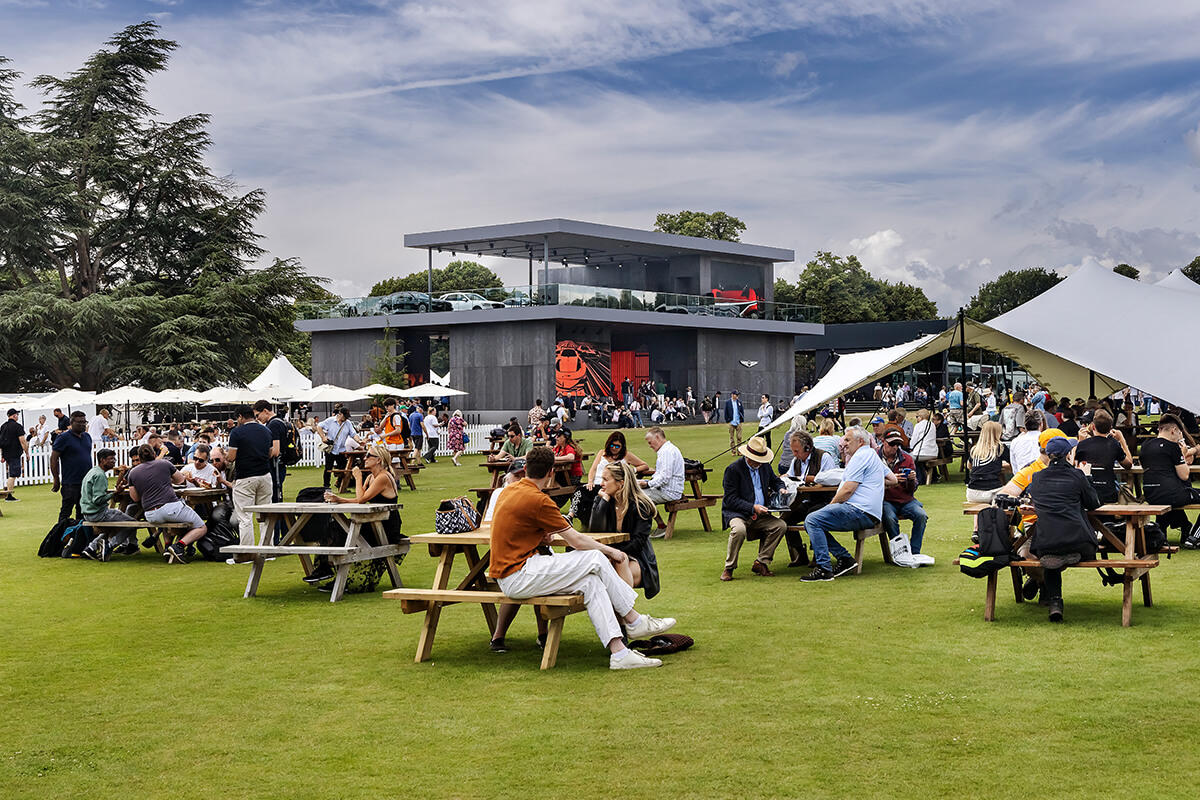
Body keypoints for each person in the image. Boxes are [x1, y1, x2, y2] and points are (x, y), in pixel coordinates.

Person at [488, 446, 676, 670]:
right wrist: (612, 552)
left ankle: (620, 652)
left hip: (512, 574)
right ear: (551, 473)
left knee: (591, 582)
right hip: (519, 574)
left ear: (526, 469)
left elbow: (513, 528)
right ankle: (633, 619)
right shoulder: (540, 500)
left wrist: (537, 535)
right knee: (595, 558)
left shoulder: (509, 490)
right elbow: (576, 541)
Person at [800, 426, 898, 582]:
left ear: (860, 442)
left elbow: (847, 490)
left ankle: (825, 569)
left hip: (859, 510)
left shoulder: (859, 457)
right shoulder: (872, 454)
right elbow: (893, 479)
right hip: (870, 512)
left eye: (847, 440)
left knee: (812, 520)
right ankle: (844, 559)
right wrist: (872, 481)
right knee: (813, 521)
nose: (843, 443)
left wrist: (830, 506)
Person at [1027, 435, 1101, 622]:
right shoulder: (1077, 476)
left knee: (1052, 555)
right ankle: (1067, 556)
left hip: (1045, 542)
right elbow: (1093, 503)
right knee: (1060, 551)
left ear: (1048, 455)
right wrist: (1087, 476)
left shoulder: (1037, 477)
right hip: (1078, 541)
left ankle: (1055, 602)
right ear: (1068, 454)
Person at [315, 442, 405, 586]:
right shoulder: (371, 477)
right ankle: (326, 568)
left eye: (369, 455)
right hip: (373, 520)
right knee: (335, 527)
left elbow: (361, 500)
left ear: (378, 460)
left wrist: (357, 478)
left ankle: (335, 575)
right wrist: (339, 499)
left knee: (344, 531)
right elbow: (360, 498)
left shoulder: (383, 477)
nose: (365, 458)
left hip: (385, 524)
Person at [589, 461, 661, 598]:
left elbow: (637, 544)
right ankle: (627, 618)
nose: (601, 484)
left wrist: (613, 553)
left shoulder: (641, 506)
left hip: (639, 560)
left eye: (605, 479)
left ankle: (627, 616)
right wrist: (603, 502)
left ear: (621, 483)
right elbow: (594, 532)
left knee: (618, 563)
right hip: (610, 557)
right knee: (613, 566)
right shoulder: (603, 500)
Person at [720, 436, 787, 581]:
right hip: (738, 514)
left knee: (780, 525)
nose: (760, 463)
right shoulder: (733, 470)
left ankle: (761, 562)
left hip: (761, 514)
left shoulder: (765, 466)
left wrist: (781, 489)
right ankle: (729, 567)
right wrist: (752, 507)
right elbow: (730, 500)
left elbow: (776, 481)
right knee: (739, 530)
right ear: (748, 456)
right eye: (757, 459)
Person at [126, 443, 207, 564]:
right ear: (154, 454)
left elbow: (135, 498)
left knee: (167, 522)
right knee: (201, 527)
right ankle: (179, 546)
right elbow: (181, 480)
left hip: (151, 514)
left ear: (139, 457)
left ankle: (167, 546)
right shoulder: (164, 464)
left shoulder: (133, 473)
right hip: (170, 506)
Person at [777, 430, 837, 567]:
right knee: (786, 517)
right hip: (805, 500)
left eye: (796, 451)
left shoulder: (824, 457)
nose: (794, 454)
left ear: (807, 448)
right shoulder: (796, 461)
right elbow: (789, 476)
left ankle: (818, 554)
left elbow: (832, 481)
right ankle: (800, 553)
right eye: (793, 451)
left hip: (825, 500)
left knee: (813, 515)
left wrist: (812, 481)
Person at [1140, 413, 1200, 547]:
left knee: (1170, 494)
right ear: (1174, 430)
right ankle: (1194, 537)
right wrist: (1183, 454)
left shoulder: (1145, 446)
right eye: (1179, 433)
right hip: (1171, 494)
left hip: (1151, 494)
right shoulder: (1172, 447)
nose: (1180, 437)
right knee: (1176, 492)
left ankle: (1165, 530)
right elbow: (1184, 475)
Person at [226, 404, 278, 553]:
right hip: (265, 475)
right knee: (265, 515)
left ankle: (247, 552)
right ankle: (268, 550)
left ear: (241, 417)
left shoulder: (237, 432)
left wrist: (226, 455)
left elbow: (231, 457)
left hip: (245, 476)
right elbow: (270, 453)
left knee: (245, 517)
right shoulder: (266, 430)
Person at [878, 429, 930, 566]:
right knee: (889, 517)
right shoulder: (874, 458)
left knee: (921, 515)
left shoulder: (907, 459)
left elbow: (911, 490)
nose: (895, 447)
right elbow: (870, 482)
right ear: (883, 441)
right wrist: (890, 480)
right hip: (885, 499)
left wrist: (912, 480)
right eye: (892, 443)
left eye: (898, 444)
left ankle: (914, 553)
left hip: (906, 499)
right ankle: (900, 553)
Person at [79, 448, 139, 561]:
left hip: (87, 512)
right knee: (132, 524)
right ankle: (110, 546)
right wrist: (115, 493)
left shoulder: (92, 471)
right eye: (111, 459)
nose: (114, 461)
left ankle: (91, 547)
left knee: (118, 517)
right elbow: (98, 500)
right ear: (102, 460)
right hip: (97, 513)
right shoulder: (100, 476)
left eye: (114, 458)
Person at [1073, 410, 1132, 505]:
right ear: (1110, 428)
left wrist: (1080, 442)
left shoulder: (1082, 445)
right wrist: (1121, 440)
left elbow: (1074, 465)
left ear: (1092, 426)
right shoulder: (1113, 444)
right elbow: (1128, 464)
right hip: (1107, 493)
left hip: (1086, 493)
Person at [638, 426, 684, 534]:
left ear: (657, 437)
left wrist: (647, 484)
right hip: (668, 489)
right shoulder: (667, 450)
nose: (650, 446)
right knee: (637, 494)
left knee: (636, 497)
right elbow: (662, 475)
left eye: (650, 442)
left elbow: (664, 478)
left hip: (669, 492)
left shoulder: (666, 452)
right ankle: (660, 525)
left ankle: (643, 529)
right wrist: (648, 482)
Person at [50, 411, 93, 521]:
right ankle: (60, 536)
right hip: (70, 483)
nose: (82, 424)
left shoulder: (87, 437)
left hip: (86, 482)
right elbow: (54, 458)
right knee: (65, 513)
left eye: (84, 422)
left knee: (83, 513)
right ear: (71, 422)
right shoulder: (63, 438)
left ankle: (80, 537)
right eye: (79, 422)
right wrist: (56, 478)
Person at [966, 421, 1009, 506]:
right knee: (1010, 493)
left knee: (977, 509)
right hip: (993, 490)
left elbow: (969, 466)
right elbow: (1013, 465)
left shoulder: (975, 449)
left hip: (972, 492)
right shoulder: (1000, 448)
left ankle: (978, 519)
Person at [254, 400, 289, 503]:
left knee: (274, 498)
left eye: (257, 415)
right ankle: (281, 519)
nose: (257, 418)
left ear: (265, 411)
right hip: (280, 464)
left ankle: (279, 519)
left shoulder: (273, 425)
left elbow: (275, 450)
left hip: (275, 466)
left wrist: (262, 456)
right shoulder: (280, 421)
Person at [319, 407, 360, 489]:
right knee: (328, 468)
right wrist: (323, 437)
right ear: (340, 414)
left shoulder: (348, 423)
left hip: (341, 450)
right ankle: (326, 486)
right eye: (345, 416)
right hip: (331, 448)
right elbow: (319, 426)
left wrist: (359, 441)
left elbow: (353, 434)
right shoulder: (330, 421)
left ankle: (341, 485)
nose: (346, 419)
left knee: (343, 468)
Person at [1, 408, 29, 502]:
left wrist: (2, 454)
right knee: (13, 474)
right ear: (14, 415)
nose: (17, 416)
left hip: (6, 453)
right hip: (14, 453)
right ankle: (9, 495)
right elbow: (23, 441)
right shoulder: (17, 426)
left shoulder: (3, 426)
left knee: (11, 472)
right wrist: (27, 452)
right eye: (17, 414)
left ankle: (8, 492)